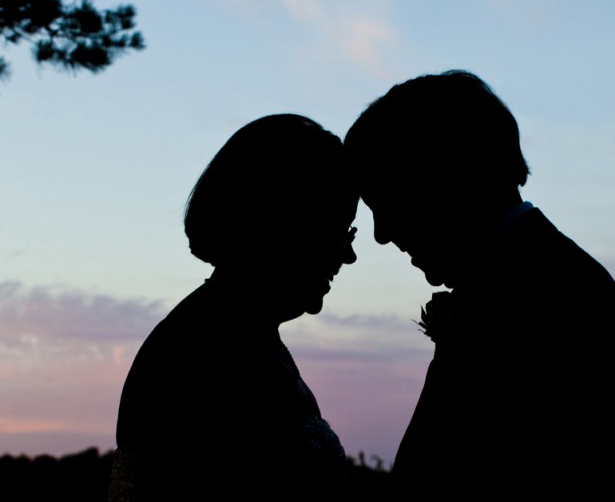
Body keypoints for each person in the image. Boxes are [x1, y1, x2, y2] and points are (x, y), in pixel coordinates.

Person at [345, 70, 614, 499]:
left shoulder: (548, 297)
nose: (381, 234)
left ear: (440, 179)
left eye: (386, 200)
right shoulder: (532, 277)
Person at [110, 114, 358, 500]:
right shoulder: (198, 352)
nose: (350, 255)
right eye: (339, 230)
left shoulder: (236, 332)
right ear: (283, 223)